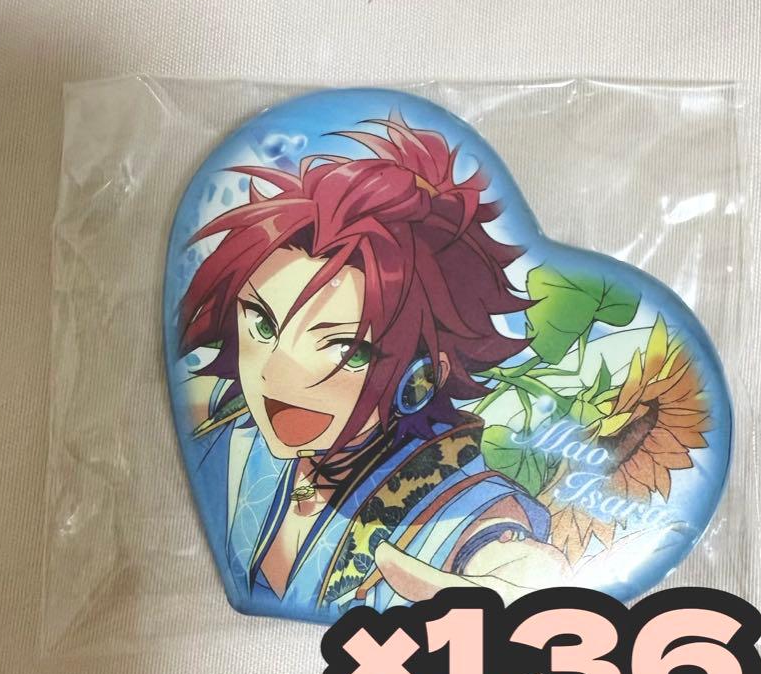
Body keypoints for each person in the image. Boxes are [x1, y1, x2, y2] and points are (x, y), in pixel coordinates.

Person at [178, 113, 571, 620]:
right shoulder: (230, 428)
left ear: (423, 376)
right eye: (263, 324)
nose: (276, 376)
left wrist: (517, 579)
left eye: (345, 349)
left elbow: (491, 544)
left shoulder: (457, 504)